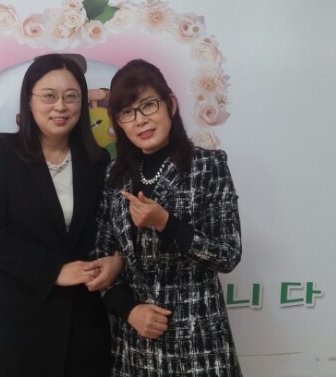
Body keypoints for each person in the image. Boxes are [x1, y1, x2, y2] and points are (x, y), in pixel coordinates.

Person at [0, 53, 119, 377]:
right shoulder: (3, 151)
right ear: (29, 100)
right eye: (49, 96)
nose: (60, 107)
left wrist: (115, 261)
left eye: (71, 97)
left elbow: (108, 233)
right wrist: (53, 271)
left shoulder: (97, 162)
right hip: (17, 316)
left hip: (82, 320)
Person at [94, 59, 243, 376]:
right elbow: (101, 255)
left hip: (199, 341)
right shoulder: (114, 176)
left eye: (149, 105)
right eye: (127, 112)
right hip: (136, 344)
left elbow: (228, 254)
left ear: (171, 104)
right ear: (119, 123)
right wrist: (129, 309)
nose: (140, 120)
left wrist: (166, 223)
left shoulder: (208, 166)